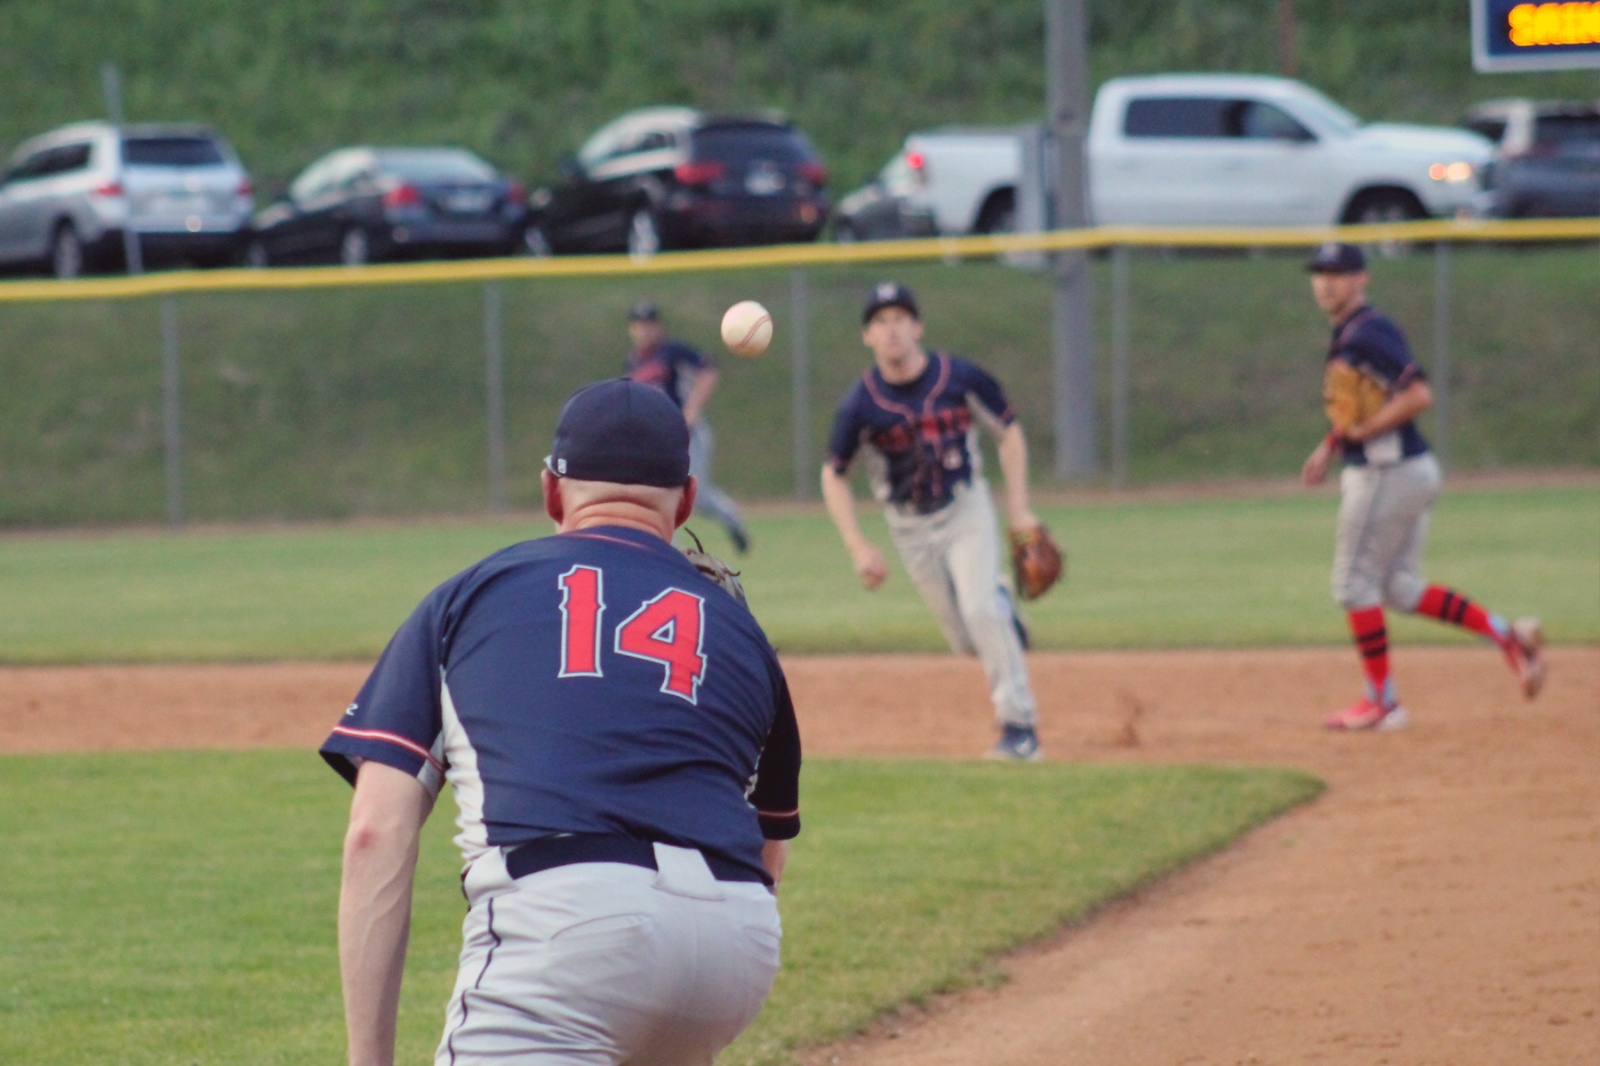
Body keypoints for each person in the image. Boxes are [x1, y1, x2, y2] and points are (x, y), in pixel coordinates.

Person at [322, 378, 801, 1066]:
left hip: (569, 923)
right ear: (687, 500)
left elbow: (376, 830)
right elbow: (768, 851)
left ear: (551, 492)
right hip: (735, 939)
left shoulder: (470, 597)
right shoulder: (744, 634)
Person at [1300, 241, 1545, 730]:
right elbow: (1359, 405)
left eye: (1338, 273)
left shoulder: (1369, 331)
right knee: (1398, 586)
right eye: (1320, 273)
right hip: (1408, 470)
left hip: (1386, 472)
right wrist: (1331, 444)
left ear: (1361, 279)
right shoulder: (1352, 332)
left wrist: (1366, 432)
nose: (1326, 282)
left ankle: (1383, 702)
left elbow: (1417, 395)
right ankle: (1509, 638)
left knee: (1353, 584)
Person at [820, 281, 1045, 761]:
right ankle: (1004, 607)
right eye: (880, 321)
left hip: (965, 510)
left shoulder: (958, 377)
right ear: (867, 336)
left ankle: (1019, 727)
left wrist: (1018, 509)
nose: (892, 329)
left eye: (900, 318)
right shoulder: (861, 403)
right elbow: (833, 475)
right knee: (967, 640)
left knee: (981, 612)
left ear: (918, 327)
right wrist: (857, 545)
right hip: (909, 527)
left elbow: (1009, 432)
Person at [625, 299, 751, 553]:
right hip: (657, 439)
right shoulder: (633, 363)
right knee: (660, 494)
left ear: (659, 327)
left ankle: (733, 520)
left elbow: (708, 370)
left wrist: (692, 408)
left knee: (698, 497)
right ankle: (668, 552)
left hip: (688, 434)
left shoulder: (672, 352)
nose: (645, 330)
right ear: (631, 329)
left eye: (650, 324)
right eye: (640, 324)